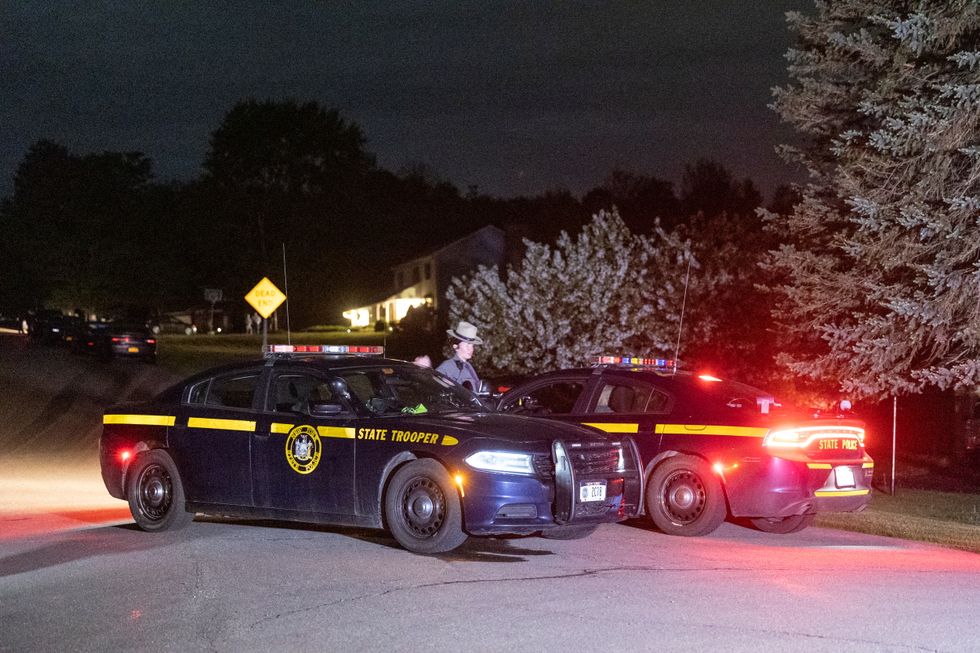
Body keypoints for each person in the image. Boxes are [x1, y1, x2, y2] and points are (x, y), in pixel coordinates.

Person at [435, 321, 483, 391]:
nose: (470, 349)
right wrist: (445, 383)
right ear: (456, 346)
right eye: (467, 345)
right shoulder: (448, 365)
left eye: (472, 346)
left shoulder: (469, 368)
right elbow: (433, 382)